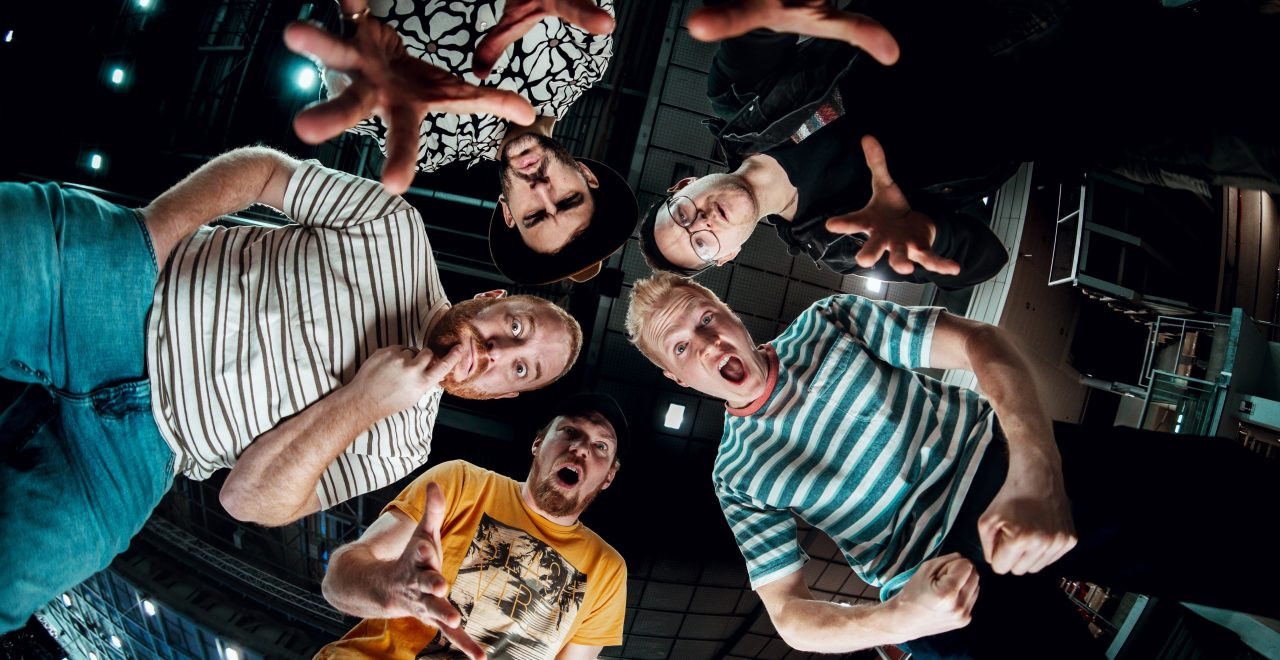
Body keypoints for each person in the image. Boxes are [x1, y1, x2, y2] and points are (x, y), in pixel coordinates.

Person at [0, 147, 583, 633]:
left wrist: (362, 403)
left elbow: (246, 500)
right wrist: (152, 234)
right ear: (489, 299)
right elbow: (264, 172)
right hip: (116, 282)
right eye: (516, 327)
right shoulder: (396, 229)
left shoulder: (405, 446)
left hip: (138, 453)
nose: (500, 353)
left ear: (501, 396)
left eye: (521, 370)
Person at [623, 271, 1280, 657]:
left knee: (1233, 511)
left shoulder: (828, 323)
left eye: (707, 318)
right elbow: (789, 613)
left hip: (996, 463)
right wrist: (900, 620)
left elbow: (977, 342)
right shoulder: (736, 475)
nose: (707, 343)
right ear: (676, 378)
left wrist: (1034, 467)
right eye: (681, 347)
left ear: (730, 313)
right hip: (926, 580)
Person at [640, 0, 1280, 289]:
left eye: (682, 213)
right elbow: (982, 260)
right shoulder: (841, 247)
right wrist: (927, 233)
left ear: (683, 186)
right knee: (1254, 135)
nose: (703, 223)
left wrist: (770, 15)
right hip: (1074, 117)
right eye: (702, 244)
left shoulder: (739, 103)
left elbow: (759, 27)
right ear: (728, 255)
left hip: (1010, 18)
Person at [285, 0, 638, 284]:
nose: (542, 190)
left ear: (508, 213)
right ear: (587, 175)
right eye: (567, 200)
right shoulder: (584, 59)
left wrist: (356, 48)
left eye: (534, 216)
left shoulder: (427, 144)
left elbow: (352, 98)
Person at [315, 393, 628, 660]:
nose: (581, 448)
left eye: (601, 446)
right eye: (569, 431)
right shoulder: (463, 482)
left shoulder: (607, 571)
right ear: (537, 443)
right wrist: (391, 588)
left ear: (609, 478)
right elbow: (338, 581)